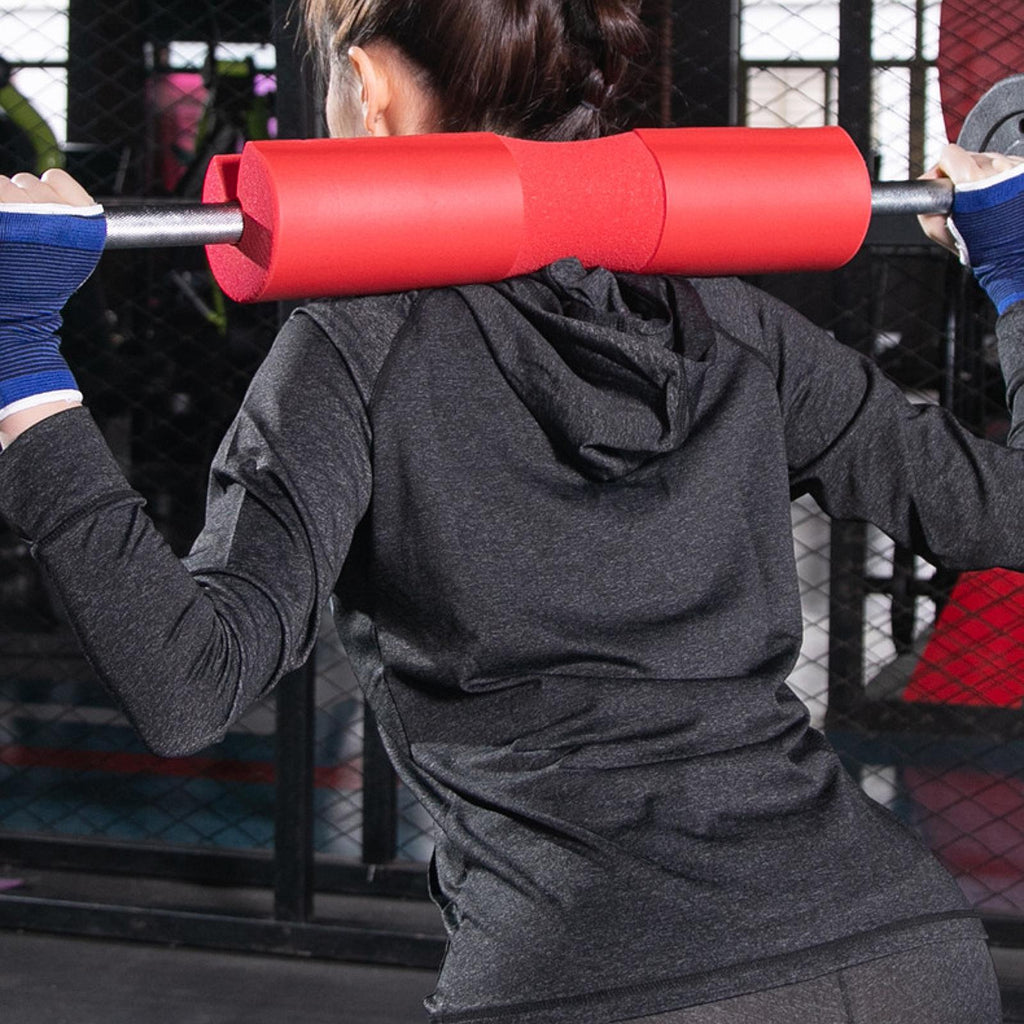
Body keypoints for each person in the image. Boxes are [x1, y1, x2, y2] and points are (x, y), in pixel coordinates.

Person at [1, 2, 1024, 1021]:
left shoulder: (356, 348)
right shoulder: (738, 323)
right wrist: (1015, 275)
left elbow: (188, 681)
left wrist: (21, 359)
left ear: (370, 86)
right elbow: (1006, 511)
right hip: (904, 949)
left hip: (601, 975)